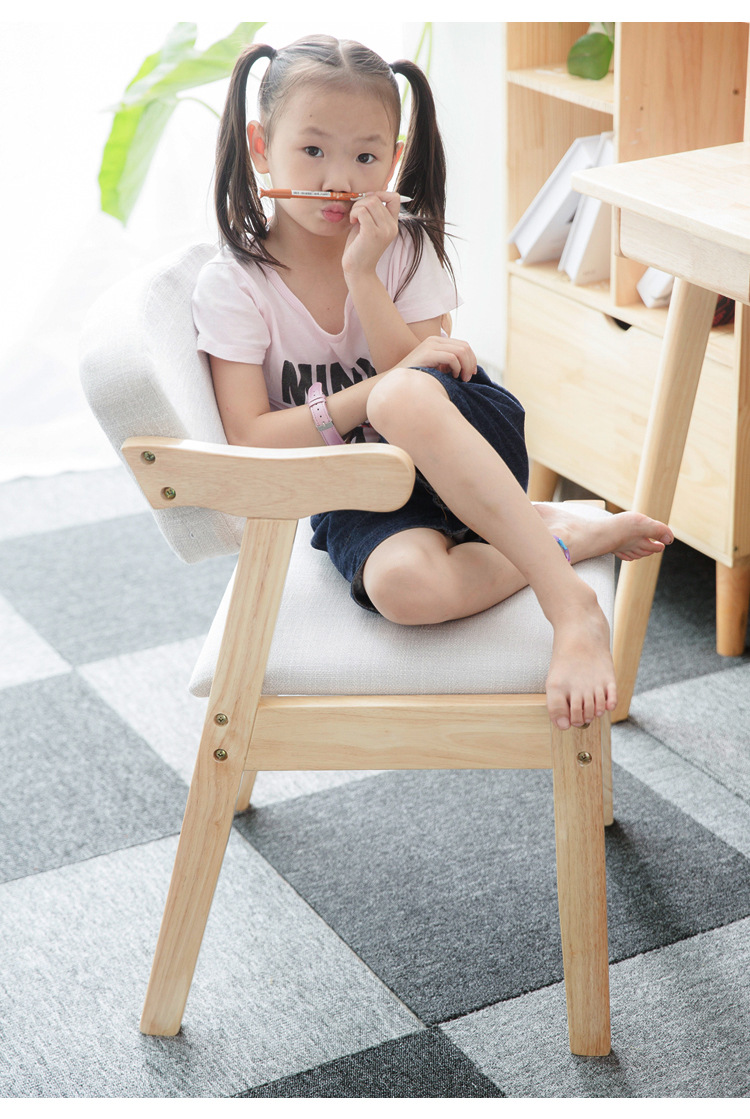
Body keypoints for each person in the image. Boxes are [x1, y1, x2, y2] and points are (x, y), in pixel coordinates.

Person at [192, 34, 673, 730]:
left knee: (401, 395)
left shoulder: (405, 247)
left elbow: (425, 379)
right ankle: (561, 537)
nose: (339, 179)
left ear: (394, 158)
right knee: (404, 589)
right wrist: (370, 393)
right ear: (262, 147)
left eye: (365, 157)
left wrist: (363, 275)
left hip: (464, 444)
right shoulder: (234, 285)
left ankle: (570, 605)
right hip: (357, 489)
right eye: (313, 150)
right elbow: (251, 439)